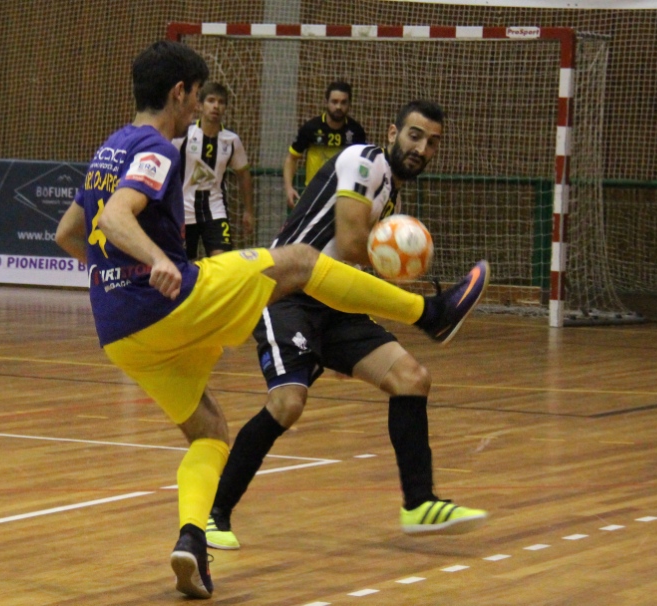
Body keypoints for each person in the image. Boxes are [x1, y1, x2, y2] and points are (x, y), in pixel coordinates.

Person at [55, 42, 489, 600]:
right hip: (169, 300)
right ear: (179, 94)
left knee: (209, 432)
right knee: (301, 264)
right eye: (196, 98)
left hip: (118, 332)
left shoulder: (108, 149)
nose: (200, 111)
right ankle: (432, 313)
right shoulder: (155, 146)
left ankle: (193, 539)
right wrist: (157, 262)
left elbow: (70, 233)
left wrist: (114, 280)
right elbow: (117, 217)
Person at [204, 101, 489, 553]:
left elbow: (354, 258)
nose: (421, 148)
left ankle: (419, 503)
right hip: (287, 293)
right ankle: (212, 515)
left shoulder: (390, 191)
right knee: (287, 403)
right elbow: (355, 243)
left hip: (335, 304)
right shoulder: (365, 159)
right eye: (414, 135)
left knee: (411, 378)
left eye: (432, 142)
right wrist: (399, 266)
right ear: (392, 131)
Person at [176, 82, 254, 259]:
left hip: (215, 209)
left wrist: (248, 210)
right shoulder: (183, 135)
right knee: (183, 265)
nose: (216, 106)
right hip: (184, 211)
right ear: (200, 105)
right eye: (211, 101)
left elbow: (244, 174)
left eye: (221, 102)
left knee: (223, 263)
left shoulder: (231, 140)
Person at [283, 80, 366, 209]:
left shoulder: (356, 132)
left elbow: (363, 165)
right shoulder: (311, 128)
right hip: (314, 196)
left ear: (350, 104)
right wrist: (289, 188)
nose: (339, 107)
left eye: (343, 102)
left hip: (344, 197)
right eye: (334, 101)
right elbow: (291, 158)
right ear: (326, 102)